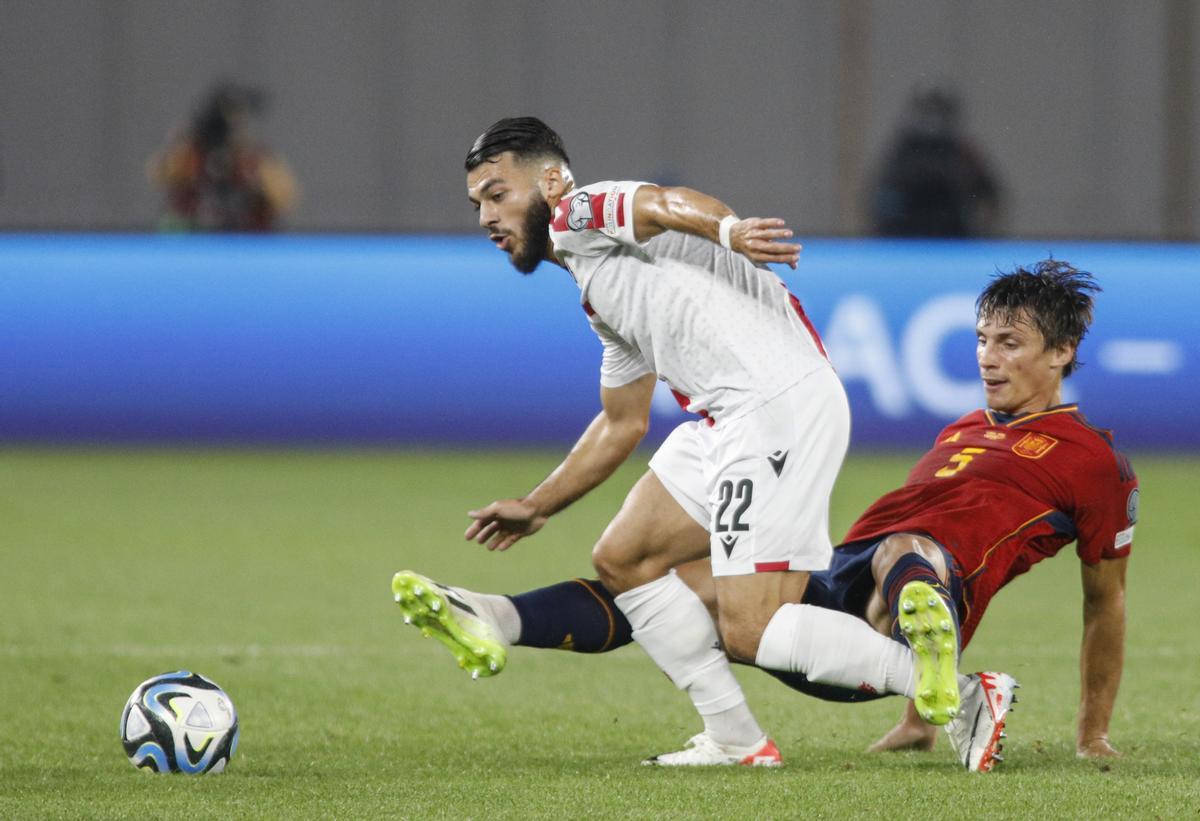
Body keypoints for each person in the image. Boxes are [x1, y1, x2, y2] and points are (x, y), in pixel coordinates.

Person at [395, 260, 1133, 772]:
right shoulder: (964, 429)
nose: (987, 358)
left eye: (1009, 343)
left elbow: (1106, 603)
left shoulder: (1095, 463)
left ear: (1063, 352)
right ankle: (495, 614)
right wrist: (917, 725)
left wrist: (1091, 734)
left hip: (901, 591)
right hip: (834, 584)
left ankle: (945, 679)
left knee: (908, 546)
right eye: (980, 338)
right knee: (659, 579)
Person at [399, 116, 970, 768]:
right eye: (477, 204)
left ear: (551, 181)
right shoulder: (601, 290)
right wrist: (539, 504)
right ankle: (735, 737)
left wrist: (730, 230)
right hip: (728, 421)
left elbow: (663, 202)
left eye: (498, 194)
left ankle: (968, 692)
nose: (486, 218)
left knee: (752, 627)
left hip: (771, 406)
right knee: (624, 556)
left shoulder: (577, 211)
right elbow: (622, 421)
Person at [148, 82, 298, 232]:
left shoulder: (254, 157)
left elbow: (284, 196)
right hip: (194, 235)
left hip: (244, 236)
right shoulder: (192, 152)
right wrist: (184, 146)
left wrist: (254, 177)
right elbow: (159, 175)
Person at [868, 85, 1001, 237]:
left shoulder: (963, 154)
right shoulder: (903, 153)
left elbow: (990, 198)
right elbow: (880, 200)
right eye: (928, 114)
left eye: (939, 114)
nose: (933, 125)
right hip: (905, 236)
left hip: (954, 236)